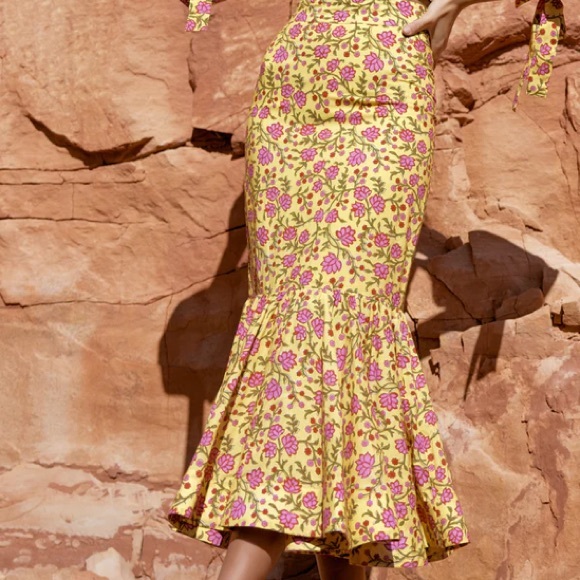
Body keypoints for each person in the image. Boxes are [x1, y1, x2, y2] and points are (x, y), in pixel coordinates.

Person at [167, 0, 565, 578]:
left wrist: (448, 6)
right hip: (295, 89)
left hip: (384, 92)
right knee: (298, 321)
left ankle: (259, 540)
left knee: (337, 318)